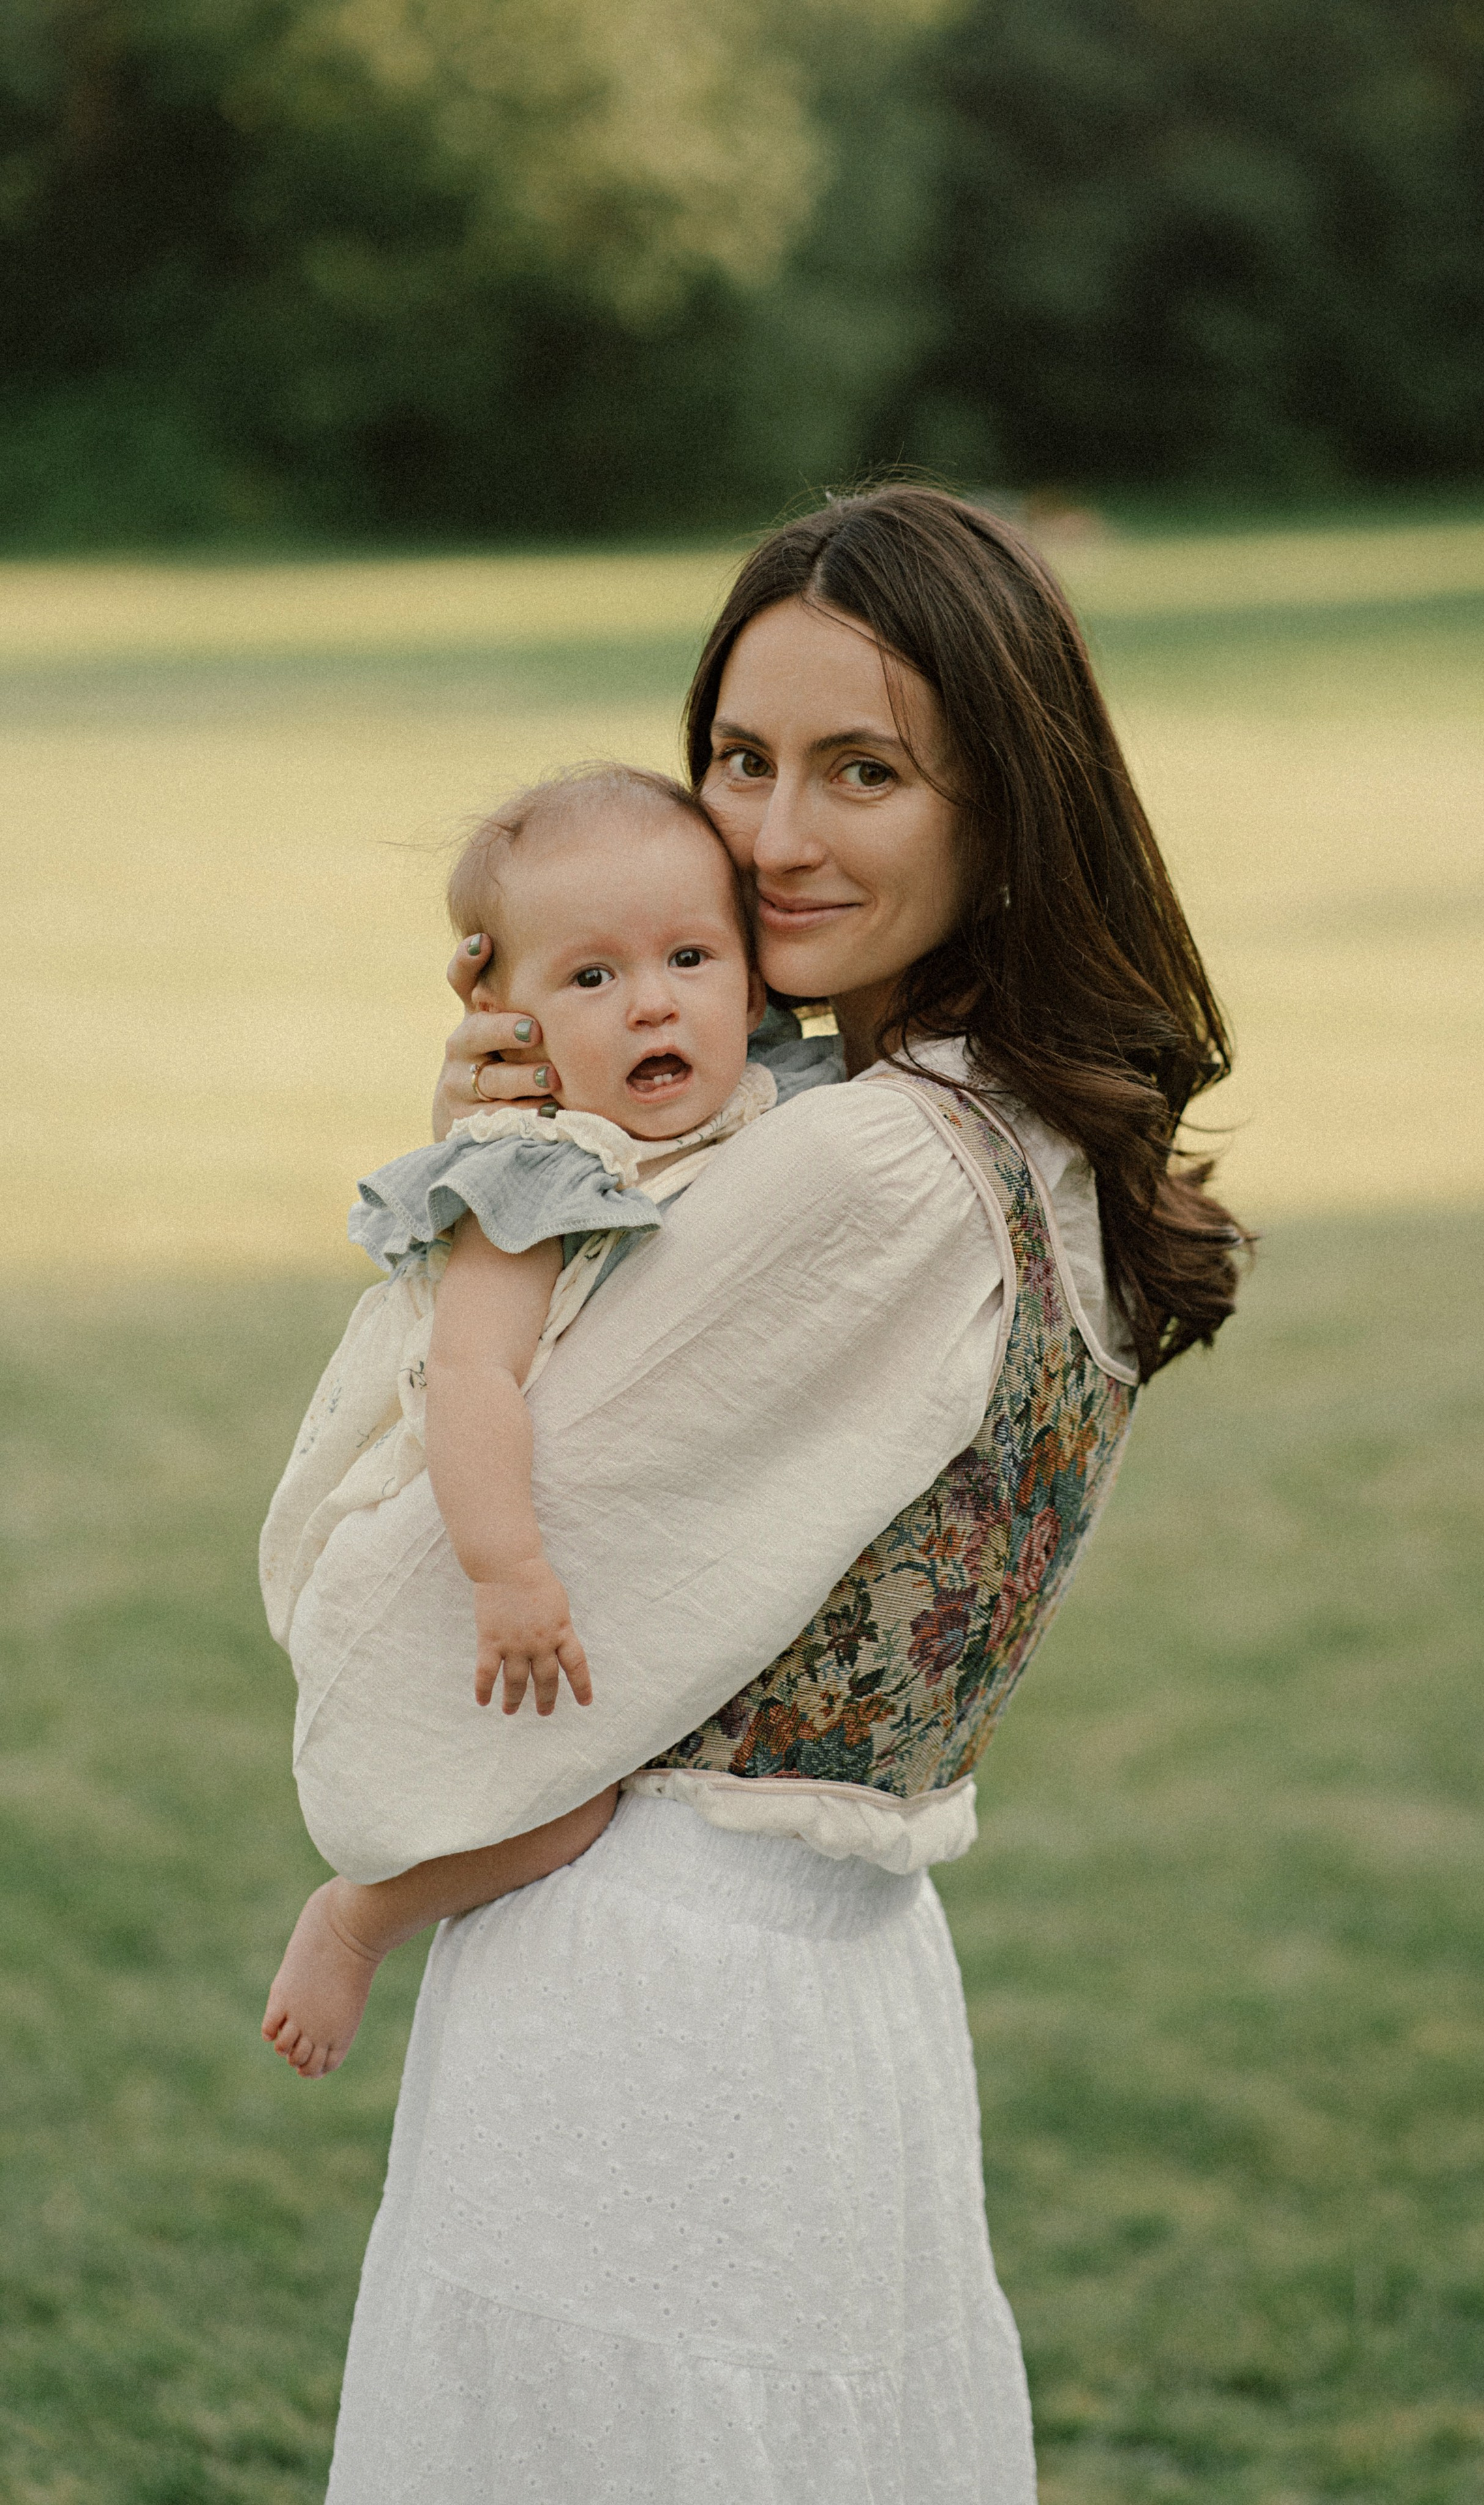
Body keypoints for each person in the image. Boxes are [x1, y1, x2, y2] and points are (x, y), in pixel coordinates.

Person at [291, 484, 1245, 2504]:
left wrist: (470, 1244)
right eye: (739, 759)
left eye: (864, 771)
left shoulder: (865, 1167)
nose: (774, 836)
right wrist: (529, 1181)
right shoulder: (1021, 1132)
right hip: (840, 1986)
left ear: (1009, 804)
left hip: (655, 2000)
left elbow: (376, 1637)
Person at [259, 763, 841, 2078]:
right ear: (509, 1024)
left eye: (688, 957)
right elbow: (470, 1375)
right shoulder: (541, 1173)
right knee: (573, 1803)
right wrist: (506, 1570)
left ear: (753, 984)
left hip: (665, 1530)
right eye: (590, 977)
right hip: (483, 1515)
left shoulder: (793, 1101)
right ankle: (361, 1918)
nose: (651, 1001)